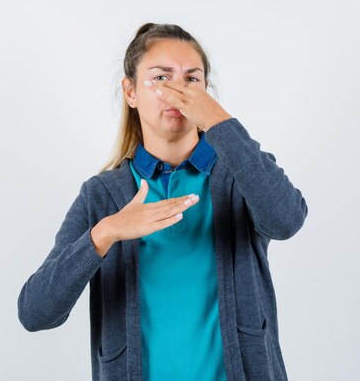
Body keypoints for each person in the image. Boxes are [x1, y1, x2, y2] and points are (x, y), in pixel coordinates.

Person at [17, 22, 308, 381]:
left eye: (191, 79)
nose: (175, 91)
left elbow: (287, 220)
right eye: (160, 78)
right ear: (131, 91)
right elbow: (35, 313)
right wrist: (105, 233)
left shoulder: (238, 175)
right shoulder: (102, 195)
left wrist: (219, 122)